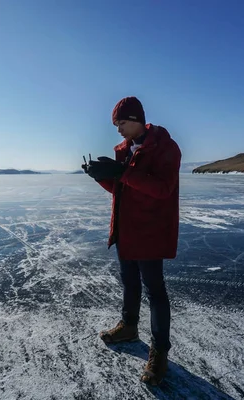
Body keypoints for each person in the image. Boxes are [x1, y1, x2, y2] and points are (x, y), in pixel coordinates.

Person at [83, 96, 181, 385]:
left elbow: (162, 188)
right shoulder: (123, 150)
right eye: (116, 125)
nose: (118, 130)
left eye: (121, 123)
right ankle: (128, 327)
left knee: (155, 290)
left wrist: (123, 172)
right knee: (129, 282)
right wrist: (99, 176)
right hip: (126, 229)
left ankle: (160, 352)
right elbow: (122, 189)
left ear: (137, 119)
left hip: (150, 231)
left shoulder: (165, 147)